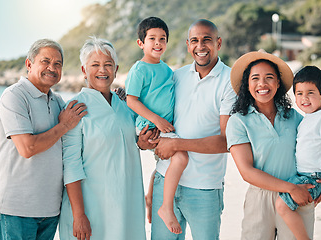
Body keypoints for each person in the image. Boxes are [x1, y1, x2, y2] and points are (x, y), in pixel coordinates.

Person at [58, 37, 156, 240]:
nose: (102, 70)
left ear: (116, 69)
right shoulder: (76, 107)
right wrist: (79, 215)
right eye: (95, 65)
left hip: (126, 202)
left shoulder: (124, 104)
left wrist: (141, 143)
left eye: (107, 65)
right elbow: (71, 164)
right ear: (84, 70)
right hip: (93, 208)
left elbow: (125, 141)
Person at [150, 19, 237, 240]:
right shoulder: (175, 77)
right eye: (195, 41)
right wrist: (145, 143)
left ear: (218, 43)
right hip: (165, 180)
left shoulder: (230, 83)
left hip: (205, 187)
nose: (200, 46)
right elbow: (160, 123)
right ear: (188, 44)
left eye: (207, 40)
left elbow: (227, 142)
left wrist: (177, 145)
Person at [0, 39, 87, 239]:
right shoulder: (13, 96)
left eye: (57, 64)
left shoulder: (58, 101)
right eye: (45, 61)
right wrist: (63, 126)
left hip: (51, 210)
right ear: (29, 64)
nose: (51, 68)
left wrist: (119, 98)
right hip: (19, 209)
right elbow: (28, 148)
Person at [226, 51, 318, 240]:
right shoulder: (238, 121)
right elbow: (247, 172)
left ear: (278, 83)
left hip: (296, 196)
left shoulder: (294, 117)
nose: (262, 84)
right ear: (247, 84)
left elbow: (317, 147)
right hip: (260, 199)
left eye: (269, 78)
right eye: (255, 78)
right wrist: (289, 188)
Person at [125, 16, 188, 234]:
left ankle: (150, 198)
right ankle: (166, 208)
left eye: (162, 38)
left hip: (163, 127)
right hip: (149, 126)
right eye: (152, 38)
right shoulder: (139, 69)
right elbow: (131, 100)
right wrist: (156, 119)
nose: (158, 43)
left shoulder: (168, 71)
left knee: (163, 165)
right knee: (181, 157)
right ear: (141, 43)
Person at [275, 66, 321, 240]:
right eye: (299, 93)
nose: (304, 98)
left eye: (310, 93)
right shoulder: (307, 119)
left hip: (313, 177)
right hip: (304, 175)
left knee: (281, 206)